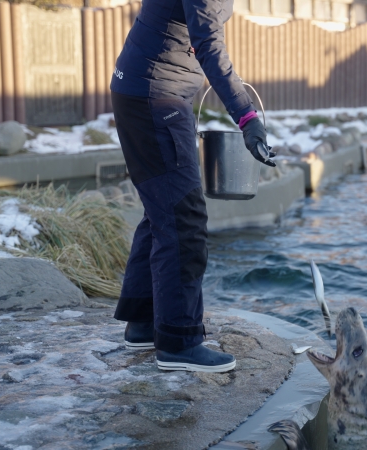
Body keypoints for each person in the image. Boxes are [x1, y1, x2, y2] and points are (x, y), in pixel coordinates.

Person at [109, 0, 275, 373]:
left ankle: (144, 322)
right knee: (184, 217)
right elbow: (208, 43)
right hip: (155, 96)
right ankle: (179, 342)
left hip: (148, 90)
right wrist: (247, 116)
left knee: (162, 211)